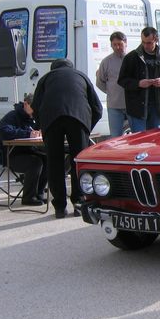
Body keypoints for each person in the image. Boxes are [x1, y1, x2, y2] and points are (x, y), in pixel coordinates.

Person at [32, 59, 102, 218]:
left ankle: (59, 207)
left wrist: (42, 125)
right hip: (78, 118)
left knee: (54, 163)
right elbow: (97, 107)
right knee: (78, 162)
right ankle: (79, 202)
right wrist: (87, 127)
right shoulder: (81, 76)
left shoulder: (46, 78)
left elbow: (35, 106)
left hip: (51, 120)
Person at [118, 27, 160, 132]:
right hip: (137, 108)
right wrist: (138, 83)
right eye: (143, 42)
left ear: (156, 40)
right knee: (139, 141)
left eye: (149, 43)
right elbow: (122, 80)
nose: (145, 46)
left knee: (154, 140)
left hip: (156, 107)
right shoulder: (131, 57)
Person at [0, 93, 47, 206]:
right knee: (35, 162)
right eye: (34, 108)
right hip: (8, 154)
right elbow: (4, 132)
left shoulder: (33, 117)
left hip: (26, 151)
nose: (35, 112)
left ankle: (38, 193)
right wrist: (28, 133)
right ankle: (28, 197)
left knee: (47, 159)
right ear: (26, 104)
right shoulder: (12, 116)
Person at [95, 31, 128, 138]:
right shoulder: (106, 62)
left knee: (136, 136)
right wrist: (111, 91)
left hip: (132, 105)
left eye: (120, 44)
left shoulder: (132, 59)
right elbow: (100, 82)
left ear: (125, 43)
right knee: (115, 137)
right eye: (115, 44)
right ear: (111, 45)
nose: (118, 47)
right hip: (114, 106)